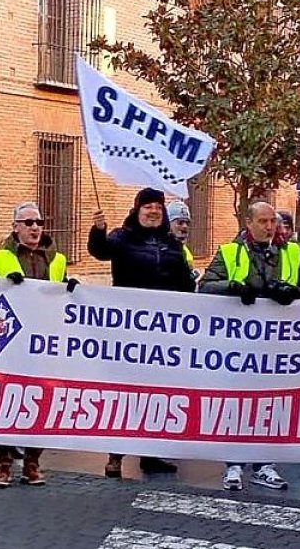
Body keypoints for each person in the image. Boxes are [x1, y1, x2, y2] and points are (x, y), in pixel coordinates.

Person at [88, 188, 194, 478]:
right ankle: (115, 455)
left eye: (157, 207)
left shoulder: (172, 244)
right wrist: (98, 231)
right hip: (128, 331)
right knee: (126, 392)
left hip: (161, 334)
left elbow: (185, 284)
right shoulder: (122, 238)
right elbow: (99, 252)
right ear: (137, 210)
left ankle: (151, 453)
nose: (153, 211)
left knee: (157, 392)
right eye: (147, 206)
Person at [199, 201, 300, 491]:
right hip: (239, 345)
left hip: (278, 345)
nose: (270, 227)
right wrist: (233, 288)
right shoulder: (230, 252)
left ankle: (264, 465)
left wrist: (292, 292)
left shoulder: (291, 252)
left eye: (274, 221)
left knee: (271, 404)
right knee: (238, 403)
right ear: (249, 223)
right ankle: (234, 465)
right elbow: (206, 286)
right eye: (263, 221)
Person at [0, 202, 71, 488]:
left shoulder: (57, 259)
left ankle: (32, 463)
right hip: (10, 342)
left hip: (44, 341)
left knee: (42, 401)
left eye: (39, 222)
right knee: (7, 399)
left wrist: (73, 289)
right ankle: (3, 463)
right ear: (15, 227)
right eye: (29, 222)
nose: (35, 227)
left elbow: (62, 291)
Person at [165, 200, 198, 282]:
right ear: (167, 225)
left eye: (187, 223)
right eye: (180, 222)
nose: (185, 227)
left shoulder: (186, 252)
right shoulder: (158, 250)